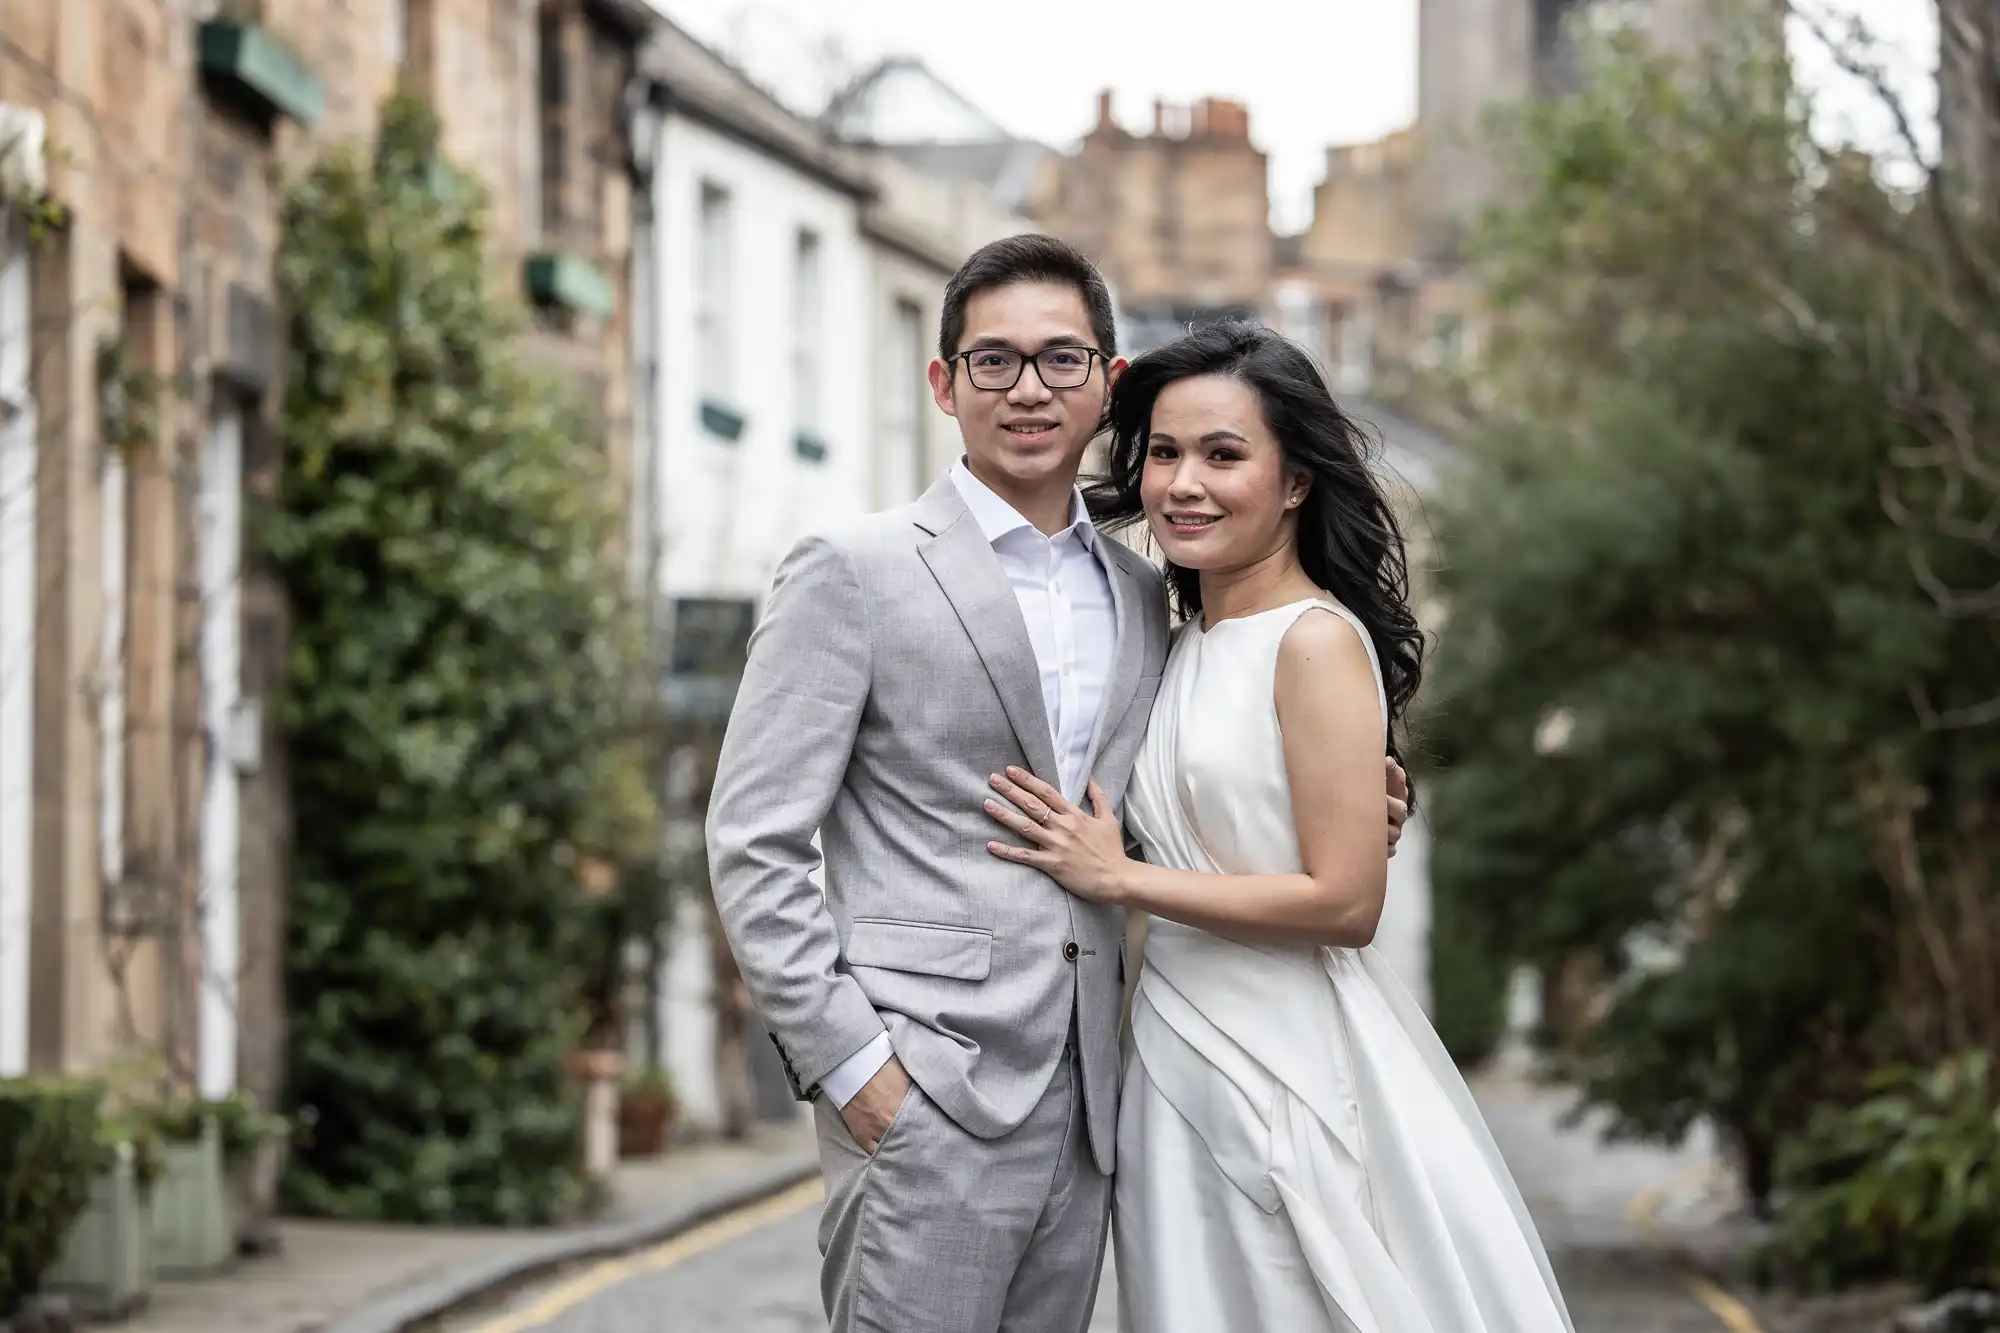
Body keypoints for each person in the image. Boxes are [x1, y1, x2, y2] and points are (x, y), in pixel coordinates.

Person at [706, 236, 1410, 1332]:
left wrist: (1349, 805)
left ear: (1105, 383)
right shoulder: (852, 571)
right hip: (922, 1092)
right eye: (992, 361)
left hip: (1097, 1107)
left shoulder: (1150, 597)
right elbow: (753, 839)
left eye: (1059, 360)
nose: (1027, 388)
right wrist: (854, 1071)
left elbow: (1186, 790)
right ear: (944, 384)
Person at [981, 321, 1575, 1333]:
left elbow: (1344, 902)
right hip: (1169, 1056)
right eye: (1162, 453)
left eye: (1222, 455)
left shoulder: (1310, 643)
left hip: (1281, 1064)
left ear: (1293, 480)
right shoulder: (1177, 641)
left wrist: (1118, 877)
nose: (1180, 485)